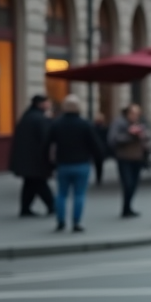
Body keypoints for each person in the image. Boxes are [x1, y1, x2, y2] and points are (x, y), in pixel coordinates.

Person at [45, 94, 104, 232]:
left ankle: (61, 221)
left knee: (61, 194)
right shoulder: (84, 124)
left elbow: (47, 144)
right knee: (79, 194)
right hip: (81, 163)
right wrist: (98, 157)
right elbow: (96, 145)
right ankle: (76, 222)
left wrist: (48, 162)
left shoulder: (57, 124)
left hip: (63, 163)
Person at [10, 94, 55, 217]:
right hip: (36, 159)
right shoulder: (39, 119)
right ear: (40, 104)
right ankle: (53, 206)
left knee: (30, 184)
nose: (49, 105)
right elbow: (46, 139)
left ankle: (25, 208)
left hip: (26, 159)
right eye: (47, 102)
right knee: (40, 183)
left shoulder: (27, 116)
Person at [109, 104, 150, 218]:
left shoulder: (140, 124)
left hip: (137, 157)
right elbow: (113, 139)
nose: (135, 116)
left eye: (137, 114)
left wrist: (143, 136)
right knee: (128, 183)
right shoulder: (119, 123)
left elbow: (147, 138)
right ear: (127, 113)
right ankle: (126, 208)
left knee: (134, 184)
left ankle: (128, 207)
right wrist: (130, 135)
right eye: (133, 113)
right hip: (124, 158)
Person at [92, 113, 110, 185]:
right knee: (99, 164)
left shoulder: (102, 128)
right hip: (99, 148)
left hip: (99, 148)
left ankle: (98, 178)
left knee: (98, 164)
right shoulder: (96, 128)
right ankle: (98, 178)